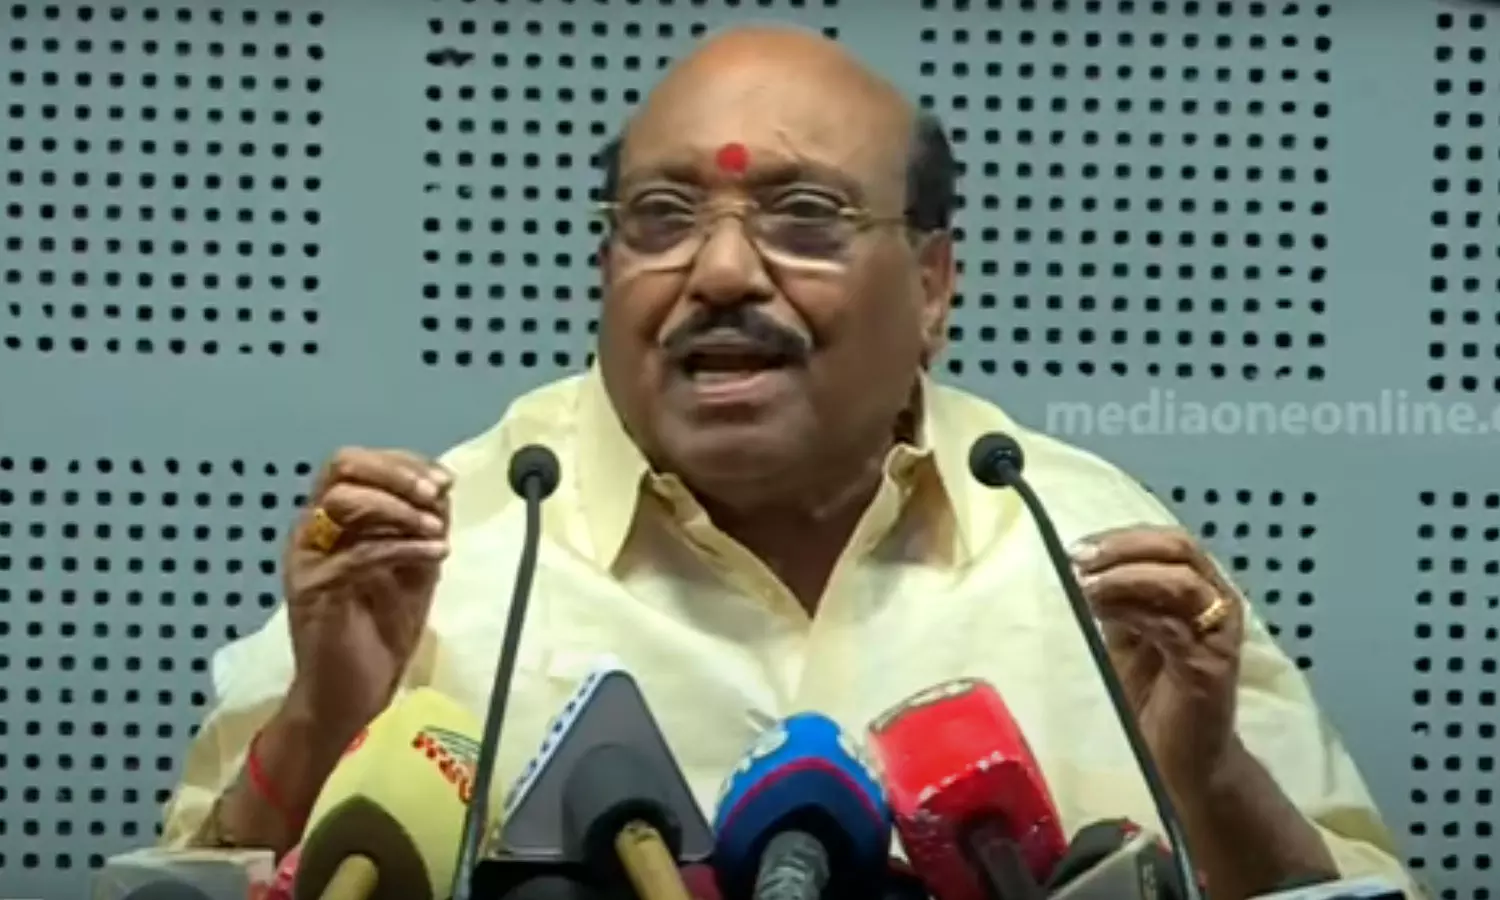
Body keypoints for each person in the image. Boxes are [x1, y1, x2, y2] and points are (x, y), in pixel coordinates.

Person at [159, 24, 1417, 899]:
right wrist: (326, 718)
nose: (718, 272)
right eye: (662, 219)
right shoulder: (445, 549)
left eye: (806, 219)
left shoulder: (1081, 541)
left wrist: (1207, 775)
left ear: (933, 285)